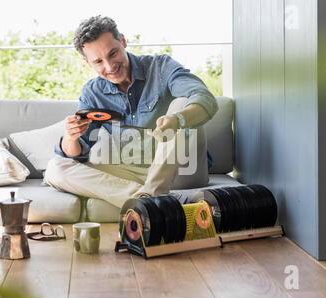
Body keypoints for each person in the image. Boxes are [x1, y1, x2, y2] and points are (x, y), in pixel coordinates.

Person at [44, 15, 218, 208]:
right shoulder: (92, 92)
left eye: (113, 53)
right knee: (55, 169)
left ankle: (153, 198)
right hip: (130, 171)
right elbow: (78, 154)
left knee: (181, 102)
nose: (110, 67)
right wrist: (71, 137)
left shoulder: (161, 67)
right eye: (98, 61)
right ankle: (156, 201)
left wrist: (177, 119)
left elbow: (204, 98)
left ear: (123, 41)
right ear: (88, 63)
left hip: (182, 169)